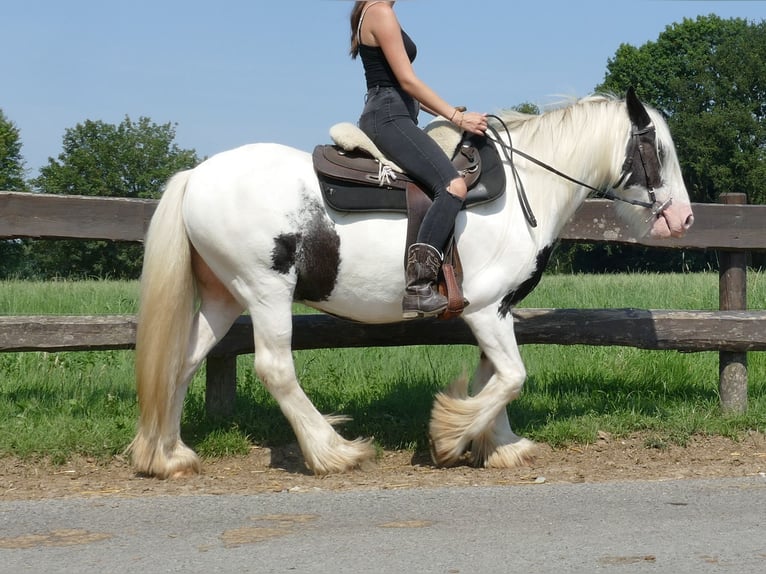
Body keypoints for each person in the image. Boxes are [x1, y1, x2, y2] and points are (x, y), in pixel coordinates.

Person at [350, 1, 488, 318]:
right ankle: (419, 287)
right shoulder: (381, 12)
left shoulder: (373, 11)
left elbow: (403, 85)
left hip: (395, 113)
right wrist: (457, 117)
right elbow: (408, 81)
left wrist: (451, 112)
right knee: (453, 185)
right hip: (389, 118)